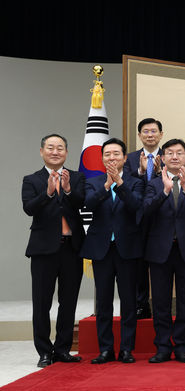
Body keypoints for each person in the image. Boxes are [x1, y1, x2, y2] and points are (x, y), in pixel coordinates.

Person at [22, 134, 85, 367]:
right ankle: (44, 352)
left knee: (68, 302)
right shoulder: (31, 180)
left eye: (60, 148)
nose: (55, 151)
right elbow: (29, 208)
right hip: (43, 251)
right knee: (42, 303)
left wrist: (67, 189)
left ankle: (63, 349)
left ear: (66, 153)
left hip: (71, 248)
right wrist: (47, 193)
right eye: (50, 147)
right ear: (42, 152)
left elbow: (81, 202)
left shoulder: (77, 177)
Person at [144, 139, 185, 363]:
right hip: (159, 251)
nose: (174, 156)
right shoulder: (153, 184)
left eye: (179, 153)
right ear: (162, 158)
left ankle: (182, 346)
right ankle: (162, 346)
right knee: (160, 301)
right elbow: (145, 211)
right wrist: (164, 191)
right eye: (169, 153)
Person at [81, 138, 145, 364]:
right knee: (104, 302)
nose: (111, 158)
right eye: (107, 154)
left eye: (116, 154)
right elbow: (87, 204)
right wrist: (107, 185)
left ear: (125, 158)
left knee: (128, 301)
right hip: (102, 250)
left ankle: (127, 349)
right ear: (101, 158)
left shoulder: (135, 182)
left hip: (127, 249)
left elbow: (137, 205)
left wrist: (120, 183)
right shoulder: (94, 181)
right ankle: (106, 349)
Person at [124, 118, 164, 320]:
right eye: (145, 132)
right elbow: (127, 185)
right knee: (138, 265)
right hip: (136, 219)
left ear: (161, 135)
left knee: (160, 265)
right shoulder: (129, 159)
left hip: (161, 220)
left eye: (154, 131)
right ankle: (141, 304)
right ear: (139, 136)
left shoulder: (170, 157)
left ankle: (160, 306)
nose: (150, 135)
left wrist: (158, 172)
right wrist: (140, 171)